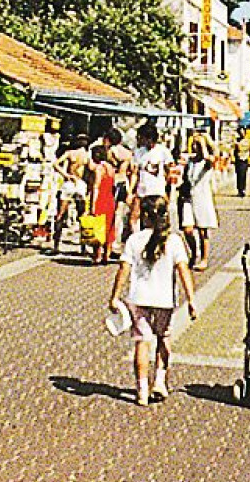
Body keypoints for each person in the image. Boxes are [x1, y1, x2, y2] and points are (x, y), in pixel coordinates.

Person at [109, 195, 196, 406]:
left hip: (139, 298)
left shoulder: (134, 240)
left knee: (142, 342)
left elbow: (124, 269)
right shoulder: (173, 240)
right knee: (163, 338)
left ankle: (141, 390)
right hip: (164, 300)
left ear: (145, 216)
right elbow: (183, 270)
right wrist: (191, 299)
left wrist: (114, 296)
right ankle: (159, 380)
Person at [180, 131, 219, 270]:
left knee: (203, 231)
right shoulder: (190, 161)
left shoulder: (207, 161)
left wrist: (203, 145)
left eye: (197, 144)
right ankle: (193, 252)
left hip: (203, 197)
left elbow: (209, 160)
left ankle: (204, 258)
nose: (195, 146)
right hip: (189, 198)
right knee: (187, 229)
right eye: (194, 144)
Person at [51, 133, 92, 252]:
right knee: (82, 216)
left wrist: (66, 175)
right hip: (80, 183)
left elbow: (55, 164)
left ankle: (56, 245)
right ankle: (83, 247)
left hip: (69, 183)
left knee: (61, 214)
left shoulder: (70, 153)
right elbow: (91, 171)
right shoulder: (86, 156)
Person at [88, 144, 119, 265]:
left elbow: (96, 187)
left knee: (98, 227)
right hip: (110, 199)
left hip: (100, 199)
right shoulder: (110, 168)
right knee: (109, 228)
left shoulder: (99, 169)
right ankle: (107, 255)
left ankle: (97, 256)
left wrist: (92, 205)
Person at [232, 129, 250, 197]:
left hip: (245, 159)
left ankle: (243, 189)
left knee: (243, 174)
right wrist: (232, 158)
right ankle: (239, 189)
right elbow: (233, 150)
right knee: (238, 175)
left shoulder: (248, 141)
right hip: (238, 159)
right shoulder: (236, 141)